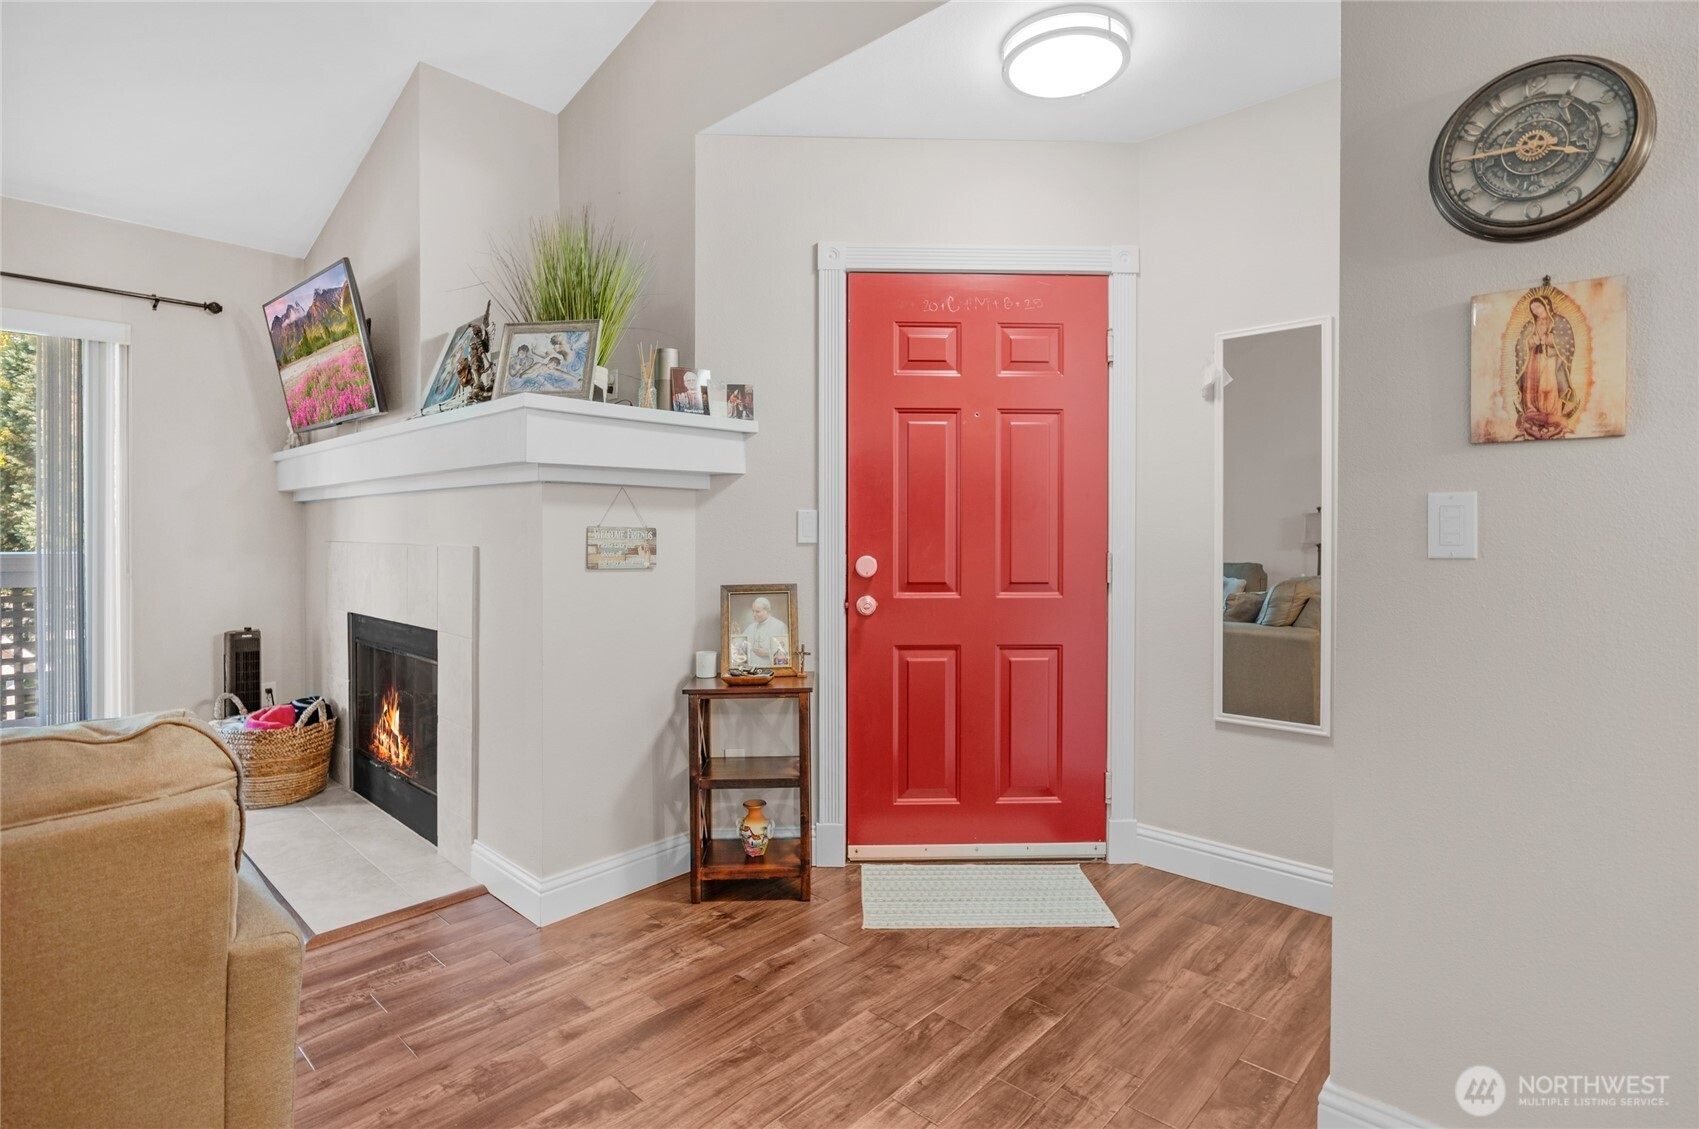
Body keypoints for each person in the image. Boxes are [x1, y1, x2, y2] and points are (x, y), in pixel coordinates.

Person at [1514, 295, 1577, 440]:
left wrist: (1548, 339)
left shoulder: (1559, 321)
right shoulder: (1531, 324)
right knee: (1532, 385)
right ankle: (1532, 411)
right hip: (1534, 359)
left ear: (1546, 305)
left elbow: (1566, 340)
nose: (1535, 311)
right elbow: (1520, 344)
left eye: (1538, 307)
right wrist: (1530, 342)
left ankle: (1551, 413)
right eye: (1533, 309)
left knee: (1548, 385)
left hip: (1550, 359)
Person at [742, 597, 788, 667]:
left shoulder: (780, 626)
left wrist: (768, 653)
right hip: (751, 668)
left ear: (768, 611)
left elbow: (785, 652)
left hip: (771, 668)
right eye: (753, 611)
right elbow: (740, 648)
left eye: (757, 611)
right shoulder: (750, 627)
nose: (754, 615)